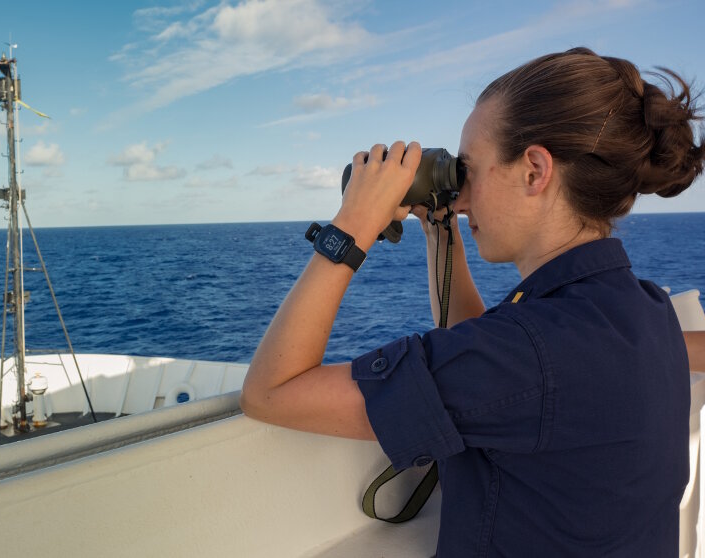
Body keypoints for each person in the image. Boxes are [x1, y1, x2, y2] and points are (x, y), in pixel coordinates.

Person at [241, 47, 704, 556]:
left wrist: (352, 226)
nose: (460, 198)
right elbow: (495, 363)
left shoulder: (527, 354)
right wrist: (442, 232)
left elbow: (272, 392)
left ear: (534, 171)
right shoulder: (640, 311)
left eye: (470, 171)